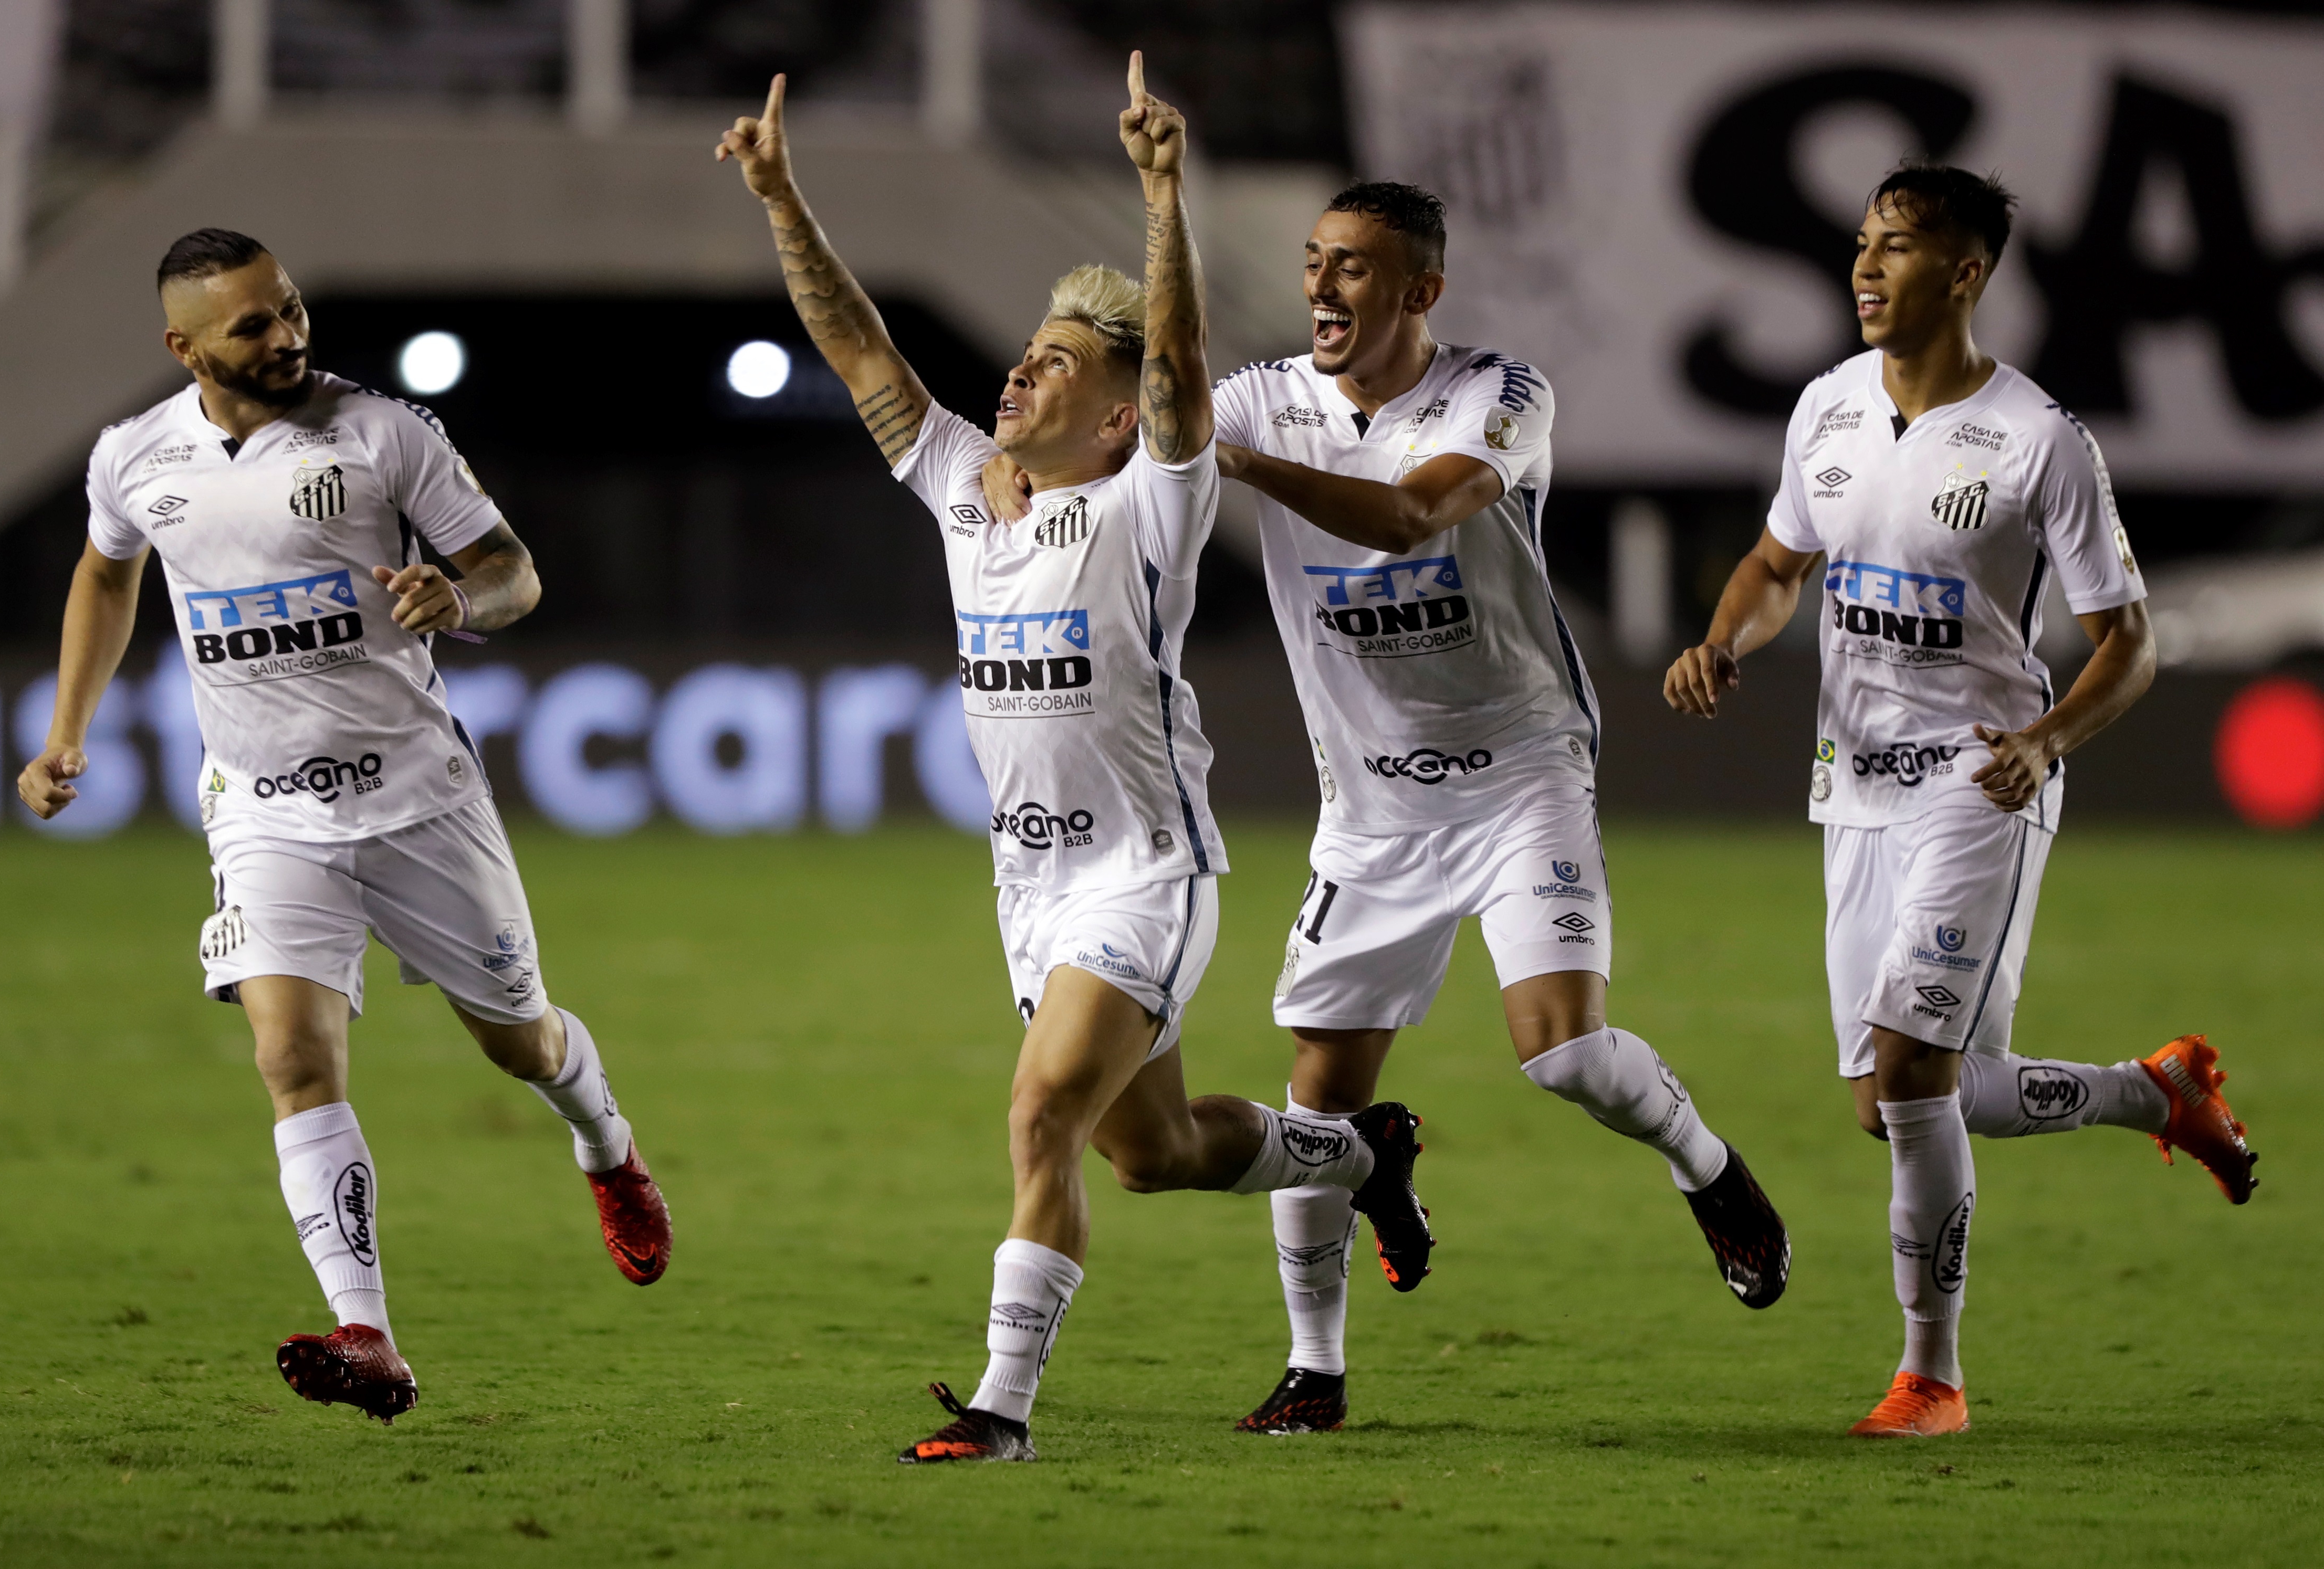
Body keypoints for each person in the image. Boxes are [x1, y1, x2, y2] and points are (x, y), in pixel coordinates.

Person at [717, 57, 1435, 1465]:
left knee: (1041, 1109)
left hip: (1142, 873)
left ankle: (1000, 1410)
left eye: (1053, 360)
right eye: (1023, 350)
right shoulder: (963, 496)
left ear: (1115, 415)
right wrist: (780, 198)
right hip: (1029, 891)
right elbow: (861, 348)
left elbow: (1176, 374)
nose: (1017, 368)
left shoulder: (1147, 500)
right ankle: (1357, 1151)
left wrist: (1162, 191)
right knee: (1148, 1152)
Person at [988, 180, 1792, 1437]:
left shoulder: (1495, 394)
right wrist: (1008, 468)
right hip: (1368, 807)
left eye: (1355, 268)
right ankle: (1315, 1371)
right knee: (1318, 1104)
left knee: (1565, 1052)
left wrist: (1236, 463)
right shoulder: (1262, 394)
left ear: (1419, 291)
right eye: (1313, 262)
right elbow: (1146, 407)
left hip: (1521, 767)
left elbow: (1415, 514)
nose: (1322, 286)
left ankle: (1711, 1171)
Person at [18, 229, 673, 1425]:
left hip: (420, 798)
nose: (287, 337)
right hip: (263, 809)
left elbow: (513, 571)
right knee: (291, 1058)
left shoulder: (384, 436)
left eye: (291, 310)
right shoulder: (135, 458)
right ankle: (367, 1334)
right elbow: (107, 572)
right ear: (184, 348)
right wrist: (70, 728)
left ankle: (607, 1145)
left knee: (518, 1044)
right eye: (252, 326)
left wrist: (459, 596)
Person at [1664, 164, 2257, 1439]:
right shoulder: (1824, 406)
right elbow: (1778, 561)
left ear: (1965, 273)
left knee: (1914, 1072)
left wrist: (2044, 741)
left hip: (1979, 780)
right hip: (1852, 789)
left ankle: (1928, 1376)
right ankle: (2152, 1094)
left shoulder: (2038, 439)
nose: (1864, 268)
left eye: (1894, 248)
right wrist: (1726, 636)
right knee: (1898, 1097)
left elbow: (2128, 641)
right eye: (1861, 245)